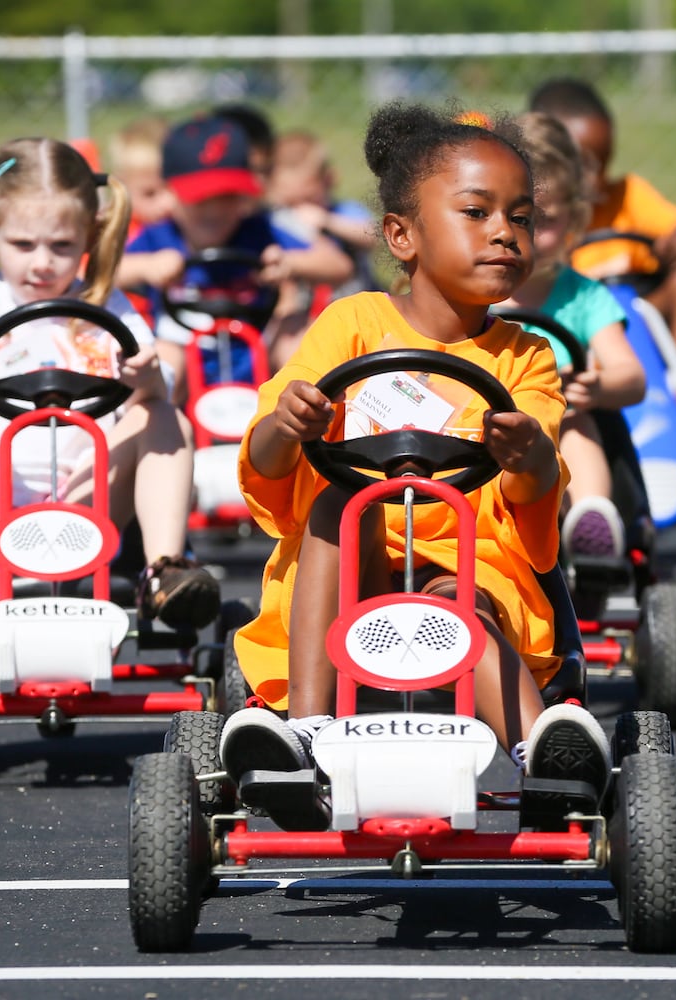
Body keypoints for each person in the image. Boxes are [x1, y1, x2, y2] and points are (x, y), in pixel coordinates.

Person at [218, 102, 612, 829]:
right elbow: (266, 463)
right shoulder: (352, 327)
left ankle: (545, 751)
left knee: (457, 599)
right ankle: (306, 733)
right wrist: (287, 422)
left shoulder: (524, 356)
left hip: (468, 563)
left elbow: (535, 494)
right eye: (477, 212)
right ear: (403, 235)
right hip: (349, 570)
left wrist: (528, 457)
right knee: (340, 500)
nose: (505, 232)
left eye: (520, 217)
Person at [0, 138, 219, 683]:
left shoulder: (105, 305)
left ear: (89, 235)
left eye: (61, 246)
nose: (42, 263)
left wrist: (146, 376)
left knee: (164, 417)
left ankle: (164, 573)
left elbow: (158, 389)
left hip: (84, 502)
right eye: (23, 244)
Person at [116, 115, 353, 404]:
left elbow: (339, 264)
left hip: (260, 369)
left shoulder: (258, 230)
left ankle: (317, 431)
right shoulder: (159, 237)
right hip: (182, 380)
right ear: (169, 193)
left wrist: (290, 262)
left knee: (296, 330)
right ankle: (144, 437)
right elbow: (101, 273)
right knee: (161, 355)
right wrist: (146, 267)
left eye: (227, 196)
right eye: (202, 198)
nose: (215, 210)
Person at [496, 111, 645, 561]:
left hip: (556, 428)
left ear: (577, 219)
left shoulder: (584, 296)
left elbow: (632, 377)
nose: (535, 235)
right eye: (523, 218)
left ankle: (591, 518)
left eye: (549, 219)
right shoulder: (473, 291)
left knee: (571, 422)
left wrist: (595, 386)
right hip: (483, 430)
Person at [527, 77, 676, 387]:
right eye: (584, 166)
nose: (597, 180)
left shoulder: (628, 194)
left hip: (641, 316)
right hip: (571, 318)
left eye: (604, 162)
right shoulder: (541, 218)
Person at [265, 128, 381, 369]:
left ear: (328, 180)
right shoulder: (281, 222)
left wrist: (327, 221)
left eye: (306, 199)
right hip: (308, 313)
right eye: (290, 202)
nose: (299, 209)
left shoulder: (342, 212)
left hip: (359, 306)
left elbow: (373, 236)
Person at [106, 115, 174, 242]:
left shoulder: (185, 226)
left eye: (172, 189)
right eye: (150, 194)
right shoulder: (119, 232)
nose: (167, 204)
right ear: (122, 189)